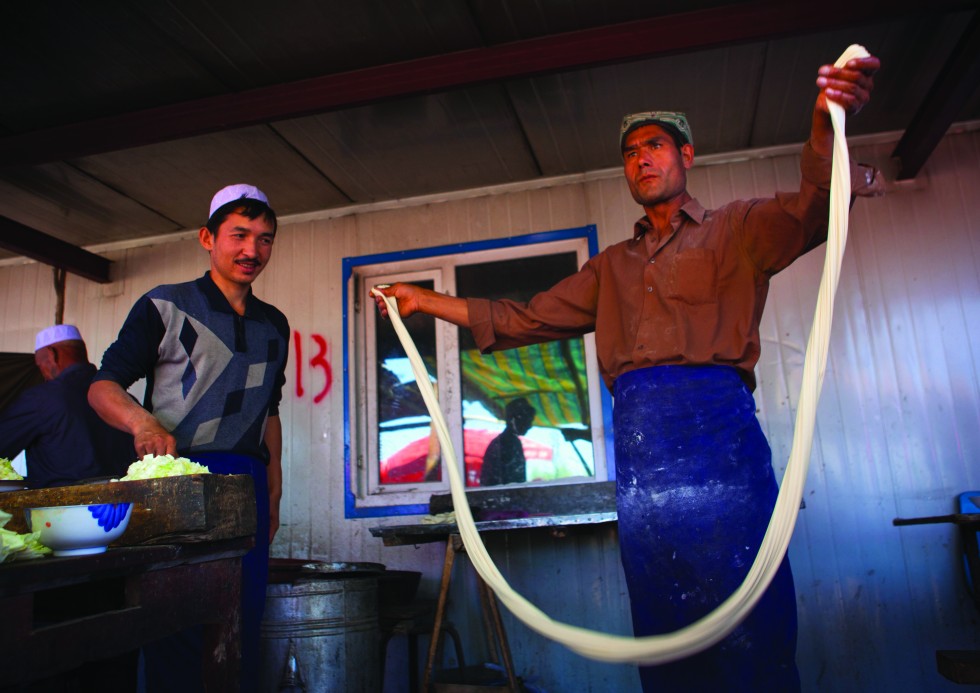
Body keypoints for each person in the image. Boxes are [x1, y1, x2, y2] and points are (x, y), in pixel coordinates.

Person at [374, 54, 883, 691]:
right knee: (664, 620)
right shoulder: (610, 268)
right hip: (645, 461)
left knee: (749, 614)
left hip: (722, 450)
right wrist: (424, 301)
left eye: (655, 146)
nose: (640, 159)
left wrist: (824, 123)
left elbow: (817, 207)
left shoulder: (738, 230)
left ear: (687, 155)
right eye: (630, 153)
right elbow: (521, 318)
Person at [88, 183, 289, 693]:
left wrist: (274, 483)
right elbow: (102, 387)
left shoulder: (275, 325)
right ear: (207, 237)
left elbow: (270, 410)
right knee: (175, 619)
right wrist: (142, 423)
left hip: (245, 481)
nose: (252, 250)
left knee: (241, 614)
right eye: (239, 235)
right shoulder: (165, 305)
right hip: (178, 480)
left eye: (264, 239)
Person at [0, 324, 135, 488]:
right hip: (120, 509)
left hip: (58, 509)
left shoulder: (42, 399)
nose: (42, 372)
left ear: (52, 355)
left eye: (39, 365)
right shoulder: (125, 399)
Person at [481, 397, 536, 486]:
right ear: (514, 419)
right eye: (527, 420)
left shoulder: (507, 441)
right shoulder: (507, 443)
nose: (529, 426)